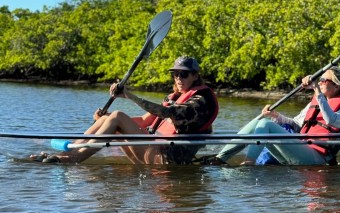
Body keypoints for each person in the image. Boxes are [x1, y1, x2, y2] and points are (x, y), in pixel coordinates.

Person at [32, 56, 219, 165]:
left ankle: (72, 159)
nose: (178, 78)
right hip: (153, 149)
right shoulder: (174, 97)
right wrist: (104, 120)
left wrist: (129, 96)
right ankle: (69, 152)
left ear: (195, 76)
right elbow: (145, 121)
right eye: (175, 74)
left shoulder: (201, 100)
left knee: (118, 116)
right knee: (112, 117)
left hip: (168, 159)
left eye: (184, 74)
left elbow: (169, 114)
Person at [217, 66, 340, 166]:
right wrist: (276, 116)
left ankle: (248, 164)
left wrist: (316, 90)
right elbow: (295, 124)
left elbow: (331, 120)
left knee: (265, 125)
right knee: (264, 120)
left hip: (318, 157)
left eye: (324, 80)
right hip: (301, 147)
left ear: (337, 86)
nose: (320, 82)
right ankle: (221, 158)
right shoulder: (317, 101)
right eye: (320, 80)